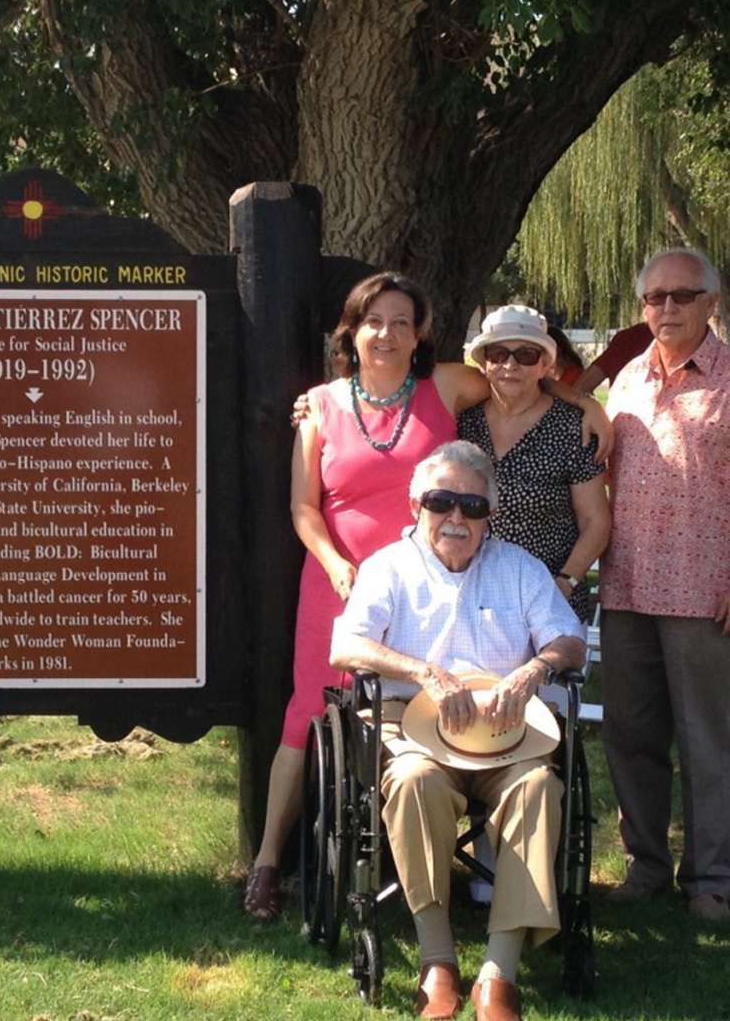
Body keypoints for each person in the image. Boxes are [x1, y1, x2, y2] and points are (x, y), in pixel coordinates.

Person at [246, 275, 610, 921]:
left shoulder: (443, 386)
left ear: (418, 335)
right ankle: (269, 862)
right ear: (351, 332)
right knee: (308, 712)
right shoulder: (323, 406)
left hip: (441, 578)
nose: (386, 333)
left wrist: (586, 403)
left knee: (425, 704)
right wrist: (334, 563)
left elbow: (518, 374)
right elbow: (304, 505)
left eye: (400, 321)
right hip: (346, 581)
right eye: (372, 321)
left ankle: (428, 856)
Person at [331, 440, 585, 1021]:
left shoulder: (520, 568)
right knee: (416, 779)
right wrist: (424, 672)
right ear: (416, 503)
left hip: (505, 733)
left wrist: (533, 669)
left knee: (540, 789)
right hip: (414, 727)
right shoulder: (386, 569)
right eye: (442, 501)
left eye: (472, 507)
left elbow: (567, 640)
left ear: (490, 517)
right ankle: (437, 959)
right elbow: (346, 646)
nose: (456, 517)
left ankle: (499, 974)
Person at [599, 248, 730, 923]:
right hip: (625, 588)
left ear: (712, 302)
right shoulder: (624, 380)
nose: (669, 309)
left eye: (683, 296)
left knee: (709, 739)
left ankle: (713, 878)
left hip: (706, 592)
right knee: (631, 733)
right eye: (656, 298)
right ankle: (645, 866)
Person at [460, 306, 610, 623]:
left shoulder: (573, 428)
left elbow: (596, 522)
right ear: (484, 363)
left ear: (544, 364)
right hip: (473, 597)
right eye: (498, 354)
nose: (510, 365)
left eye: (526, 355)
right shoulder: (463, 423)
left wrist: (564, 584)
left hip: (549, 600)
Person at [572, 321, 653, 394]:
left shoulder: (627, 339)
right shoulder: (628, 340)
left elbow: (580, 388)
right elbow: (580, 389)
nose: (665, 309)